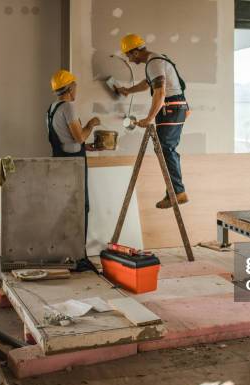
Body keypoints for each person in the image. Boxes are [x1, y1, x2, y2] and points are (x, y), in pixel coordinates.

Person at [115, 34, 190, 209]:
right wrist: (128, 90)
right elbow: (149, 83)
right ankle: (174, 192)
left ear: (135, 52)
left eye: (128, 55)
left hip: (170, 108)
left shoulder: (154, 62)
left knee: (166, 149)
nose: (129, 59)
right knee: (167, 149)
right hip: (176, 107)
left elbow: (160, 92)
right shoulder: (156, 60)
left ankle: (178, 192)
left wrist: (149, 118)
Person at [47, 69, 101, 238]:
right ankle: (79, 251)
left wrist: (87, 146)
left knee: (64, 204)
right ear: (70, 88)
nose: (76, 89)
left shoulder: (52, 108)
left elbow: (65, 138)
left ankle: (65, 246)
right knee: (80, 206)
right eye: (75, 86)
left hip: (60, 160)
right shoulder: (68, 107)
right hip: (74, 163)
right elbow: (78, 138)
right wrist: (91, 124)